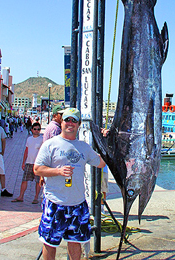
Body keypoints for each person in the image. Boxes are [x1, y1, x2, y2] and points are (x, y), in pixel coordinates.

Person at [34, 108, 106, 260]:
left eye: (74, 120)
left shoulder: (84, 147)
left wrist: (106, 141)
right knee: (49, 244)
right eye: (67, 119)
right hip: (55, 203)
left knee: (75, 243)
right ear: (61, 122)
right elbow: (37, 169)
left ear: (79, 124)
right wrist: (58, 171)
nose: (70, 123)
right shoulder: (50, 144)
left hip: (78, 205)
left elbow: (101, 163)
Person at [11, 122, 43, 204]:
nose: (37, 131)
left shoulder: (42, 139)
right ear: (32, 130)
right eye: (35, 129)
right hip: (29, 162)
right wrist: (23, 162)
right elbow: (26, 151)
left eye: (38, 129)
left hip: (38, 164)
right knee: (24, 180)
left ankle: (36, 197)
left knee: (38, 181)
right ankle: (21, 196)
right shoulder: (29, 139)